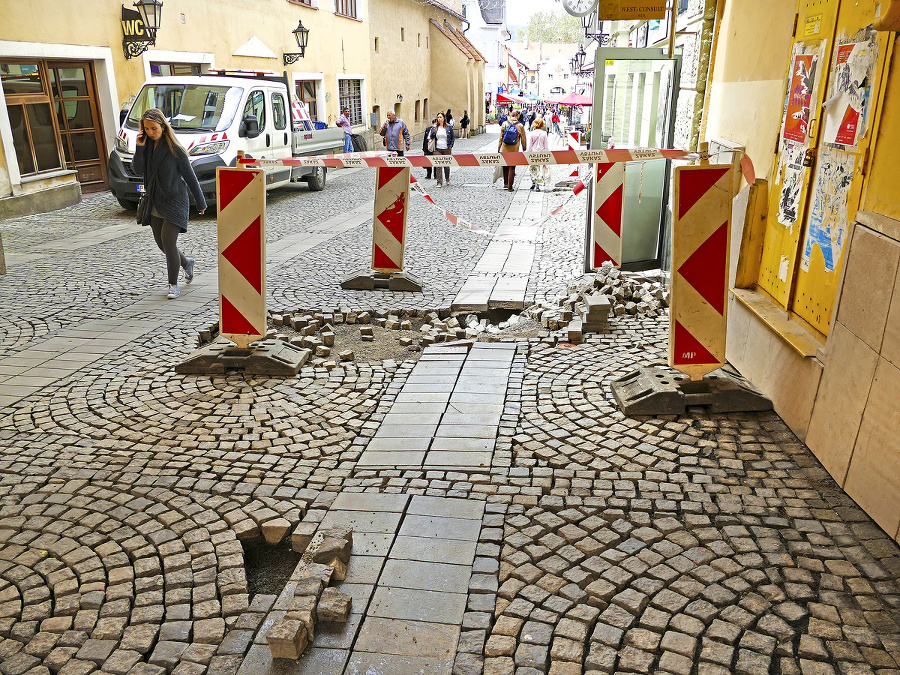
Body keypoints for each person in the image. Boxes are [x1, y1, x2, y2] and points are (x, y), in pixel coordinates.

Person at [134, 108, 206, 300]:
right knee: (161, 244)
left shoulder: (175, 150)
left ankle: (173, 285)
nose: (150, 132)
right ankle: (186, 262)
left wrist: (200, 202)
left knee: (168, 241)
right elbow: (137, 169)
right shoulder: (147, 148)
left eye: (154, 128)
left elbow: (190, 178)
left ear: (163, 127)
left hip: (175, 201)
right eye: (147, 129)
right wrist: (139, 147)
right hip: (155, 200)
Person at [498, 110, 526, 192]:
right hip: (514, 149)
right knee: (512, 167)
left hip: (504, 148)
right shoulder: (520, 125)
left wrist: (499, 148)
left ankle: (505, 183)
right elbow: (523, 138)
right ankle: (510, 187)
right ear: (517, 116)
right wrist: (524, 147)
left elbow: (501, 137)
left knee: (505, 166)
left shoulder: (505, 123)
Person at [432, 111, 455, 187]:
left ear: (444, 118)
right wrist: (434, 132)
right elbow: (431, 137)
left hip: (446, 148)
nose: (439, 119)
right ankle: (439, 182)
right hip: (437, 148)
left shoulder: (449, 127)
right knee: (438, 165)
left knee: (446, 166)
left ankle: (447, 178)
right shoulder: (435, 127)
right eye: (438, 117)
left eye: (440, 117)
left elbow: (452, 137)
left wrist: (451, 145)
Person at [528, 117, 550, 191]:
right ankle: (538, 184)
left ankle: (533, 182)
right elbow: (546, 145)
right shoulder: (544, 133)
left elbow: (530, 146)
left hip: (533, 153)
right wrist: (547, 154)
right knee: (540, 169)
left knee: (533, 168)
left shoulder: (531, 133)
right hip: (541, 153)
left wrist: (528, 154)